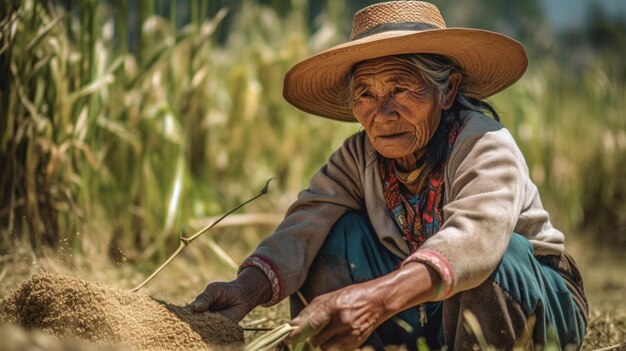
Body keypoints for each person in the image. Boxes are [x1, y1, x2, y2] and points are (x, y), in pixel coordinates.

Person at [191, 1, 588, 350]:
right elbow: (304, 225)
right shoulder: (359, 156)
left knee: (499, 259)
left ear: (447, 91)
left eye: (400, 89)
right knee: (332, 236)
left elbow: (477, 239)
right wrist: (245, 289)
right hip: (431, 313)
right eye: (366, 94)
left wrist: (375, 300)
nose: (381, 114)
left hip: (533, 306)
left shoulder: (484, 143)